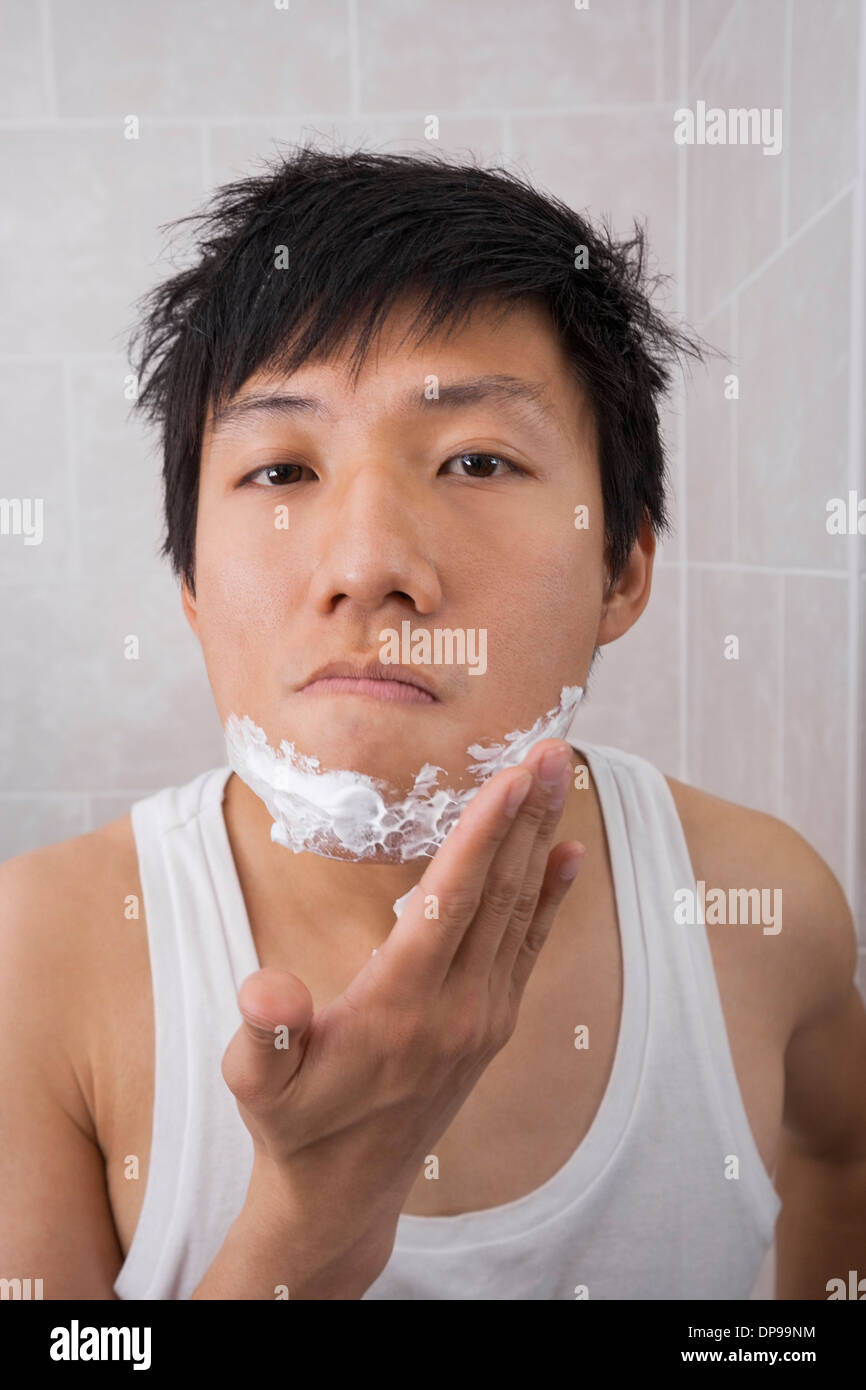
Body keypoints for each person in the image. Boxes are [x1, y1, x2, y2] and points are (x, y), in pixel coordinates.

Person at [1, 147, 864, 1301]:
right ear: (192, 588)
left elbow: (839, 1162)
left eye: (474, 458)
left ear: (620, 571)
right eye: (279, 470)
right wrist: (308, 1230)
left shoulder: (761, 909)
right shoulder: (34, 964)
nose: (365, 567)